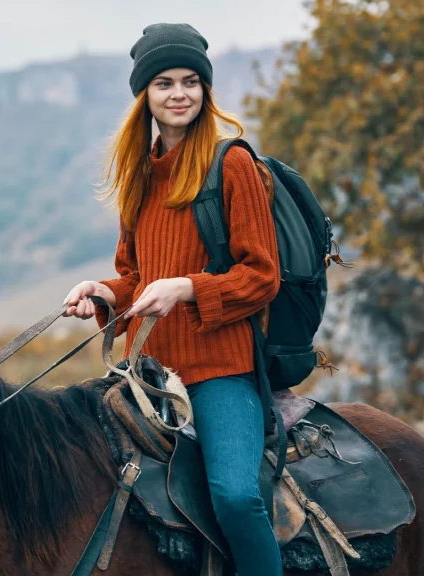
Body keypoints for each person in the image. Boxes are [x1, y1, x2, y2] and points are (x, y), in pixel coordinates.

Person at [62, 23, 283, 576]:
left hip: (219, 370)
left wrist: (189, 287)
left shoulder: (232, 164)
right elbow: (136, 278)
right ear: (145, 95)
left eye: (190, 81)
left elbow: (262, 276)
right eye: (164, 83)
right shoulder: (139, 174)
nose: (178, 93)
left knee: (235, 496)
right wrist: (101, 293)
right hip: (149, 373)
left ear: (206, 90)